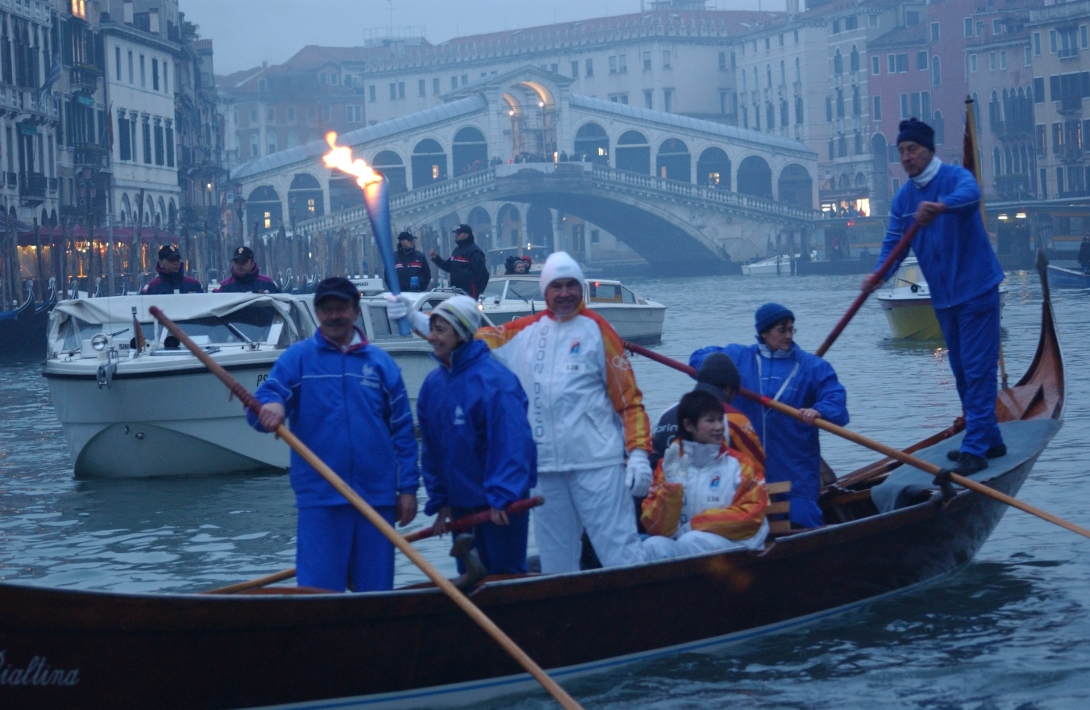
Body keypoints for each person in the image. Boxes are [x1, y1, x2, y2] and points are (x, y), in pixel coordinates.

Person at [476, 252, 653, 573]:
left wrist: (639, 453)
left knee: (620, 553)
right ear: (545, 291)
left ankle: (638, 616)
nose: (565, 293)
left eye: (572, 285)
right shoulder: (524, 332)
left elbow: (628, 400)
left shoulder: (598, 331)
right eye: (556, 286)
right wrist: (425, 323)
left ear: (581, 289)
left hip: (597, 465)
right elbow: (469, 344)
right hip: (545, 471)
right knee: (557, 565)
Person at [248, 277, 419, 592]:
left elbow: (404, 434)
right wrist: (270, 407)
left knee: (377, 598)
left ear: (356, 312)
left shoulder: (382, 365)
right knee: (318, 597)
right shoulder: (297, 360)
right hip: (321, 501)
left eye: (342, 308)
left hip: (377, 500)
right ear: (317, 313)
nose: (334, 316)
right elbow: (261, 405)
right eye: (327, 310)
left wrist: (407, 489)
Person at [870, 118, 1006, 474]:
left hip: (976, 290)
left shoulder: (954, 178)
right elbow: (893, 244)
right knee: (962, 370)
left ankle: (974, 448)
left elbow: (971, 195)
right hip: (944, 299)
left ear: (928, 151)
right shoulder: (904, 198)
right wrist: (878, 274)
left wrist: (940, 207)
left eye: (912, 149)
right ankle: (990, 438)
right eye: (900, 151)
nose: (906, 157)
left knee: (977, 370)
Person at [690, 303, 848, 528]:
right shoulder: (737, 357)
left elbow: (836, 401)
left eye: (791, 329)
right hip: (746, 470)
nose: (788, 336)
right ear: (763, 333)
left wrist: (819, 410)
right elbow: (698, 358)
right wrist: (716, 374)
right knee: (743, 526)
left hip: (795, 469)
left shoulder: (813, 367)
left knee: (805, 520)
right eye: (781, 330)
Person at [417, 295, 537, 574]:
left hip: (500, 507)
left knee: (505, 577)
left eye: (440, 330)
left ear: (460, 333)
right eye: (431, 329)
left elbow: (513, 445)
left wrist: (503, 497)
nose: (431, 337)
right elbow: (431, 450)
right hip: (460, 507)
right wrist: (440, 500)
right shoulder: (432, 386)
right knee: (470, 580)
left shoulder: (496, 382)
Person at [640, 389, 769, 560]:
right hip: (686, 540)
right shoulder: (668, 467)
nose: (719, 427)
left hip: (738, 542)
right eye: (710, 420)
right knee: (652, 546)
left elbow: (752, 516)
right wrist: (671, 491)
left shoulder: (741, 465)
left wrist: (696, 525)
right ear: (688, 426)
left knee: (691, 542)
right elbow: (655, 527)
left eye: (719, 419)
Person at [650, 352, 764, 473]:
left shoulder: (665, 413)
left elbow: (651, 456)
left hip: (664, 487)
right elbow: (758, 468)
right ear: (727, 389)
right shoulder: (734, 418)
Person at [430, 224, 488, 298]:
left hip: (469, 292)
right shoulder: (457, 250)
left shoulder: (474, 252)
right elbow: (448, 267)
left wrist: (479, 292)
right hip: (456, 291)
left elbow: (482, 274)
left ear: (466, 235)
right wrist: (436, 258)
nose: (456, 236)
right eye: (456, 233)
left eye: (458, 233)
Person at [215, 246, 280, 294]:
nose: (240, 266)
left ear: (252, 263)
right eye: (237, 262)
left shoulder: (268, 283)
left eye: (244, 262)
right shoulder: (224, 287)